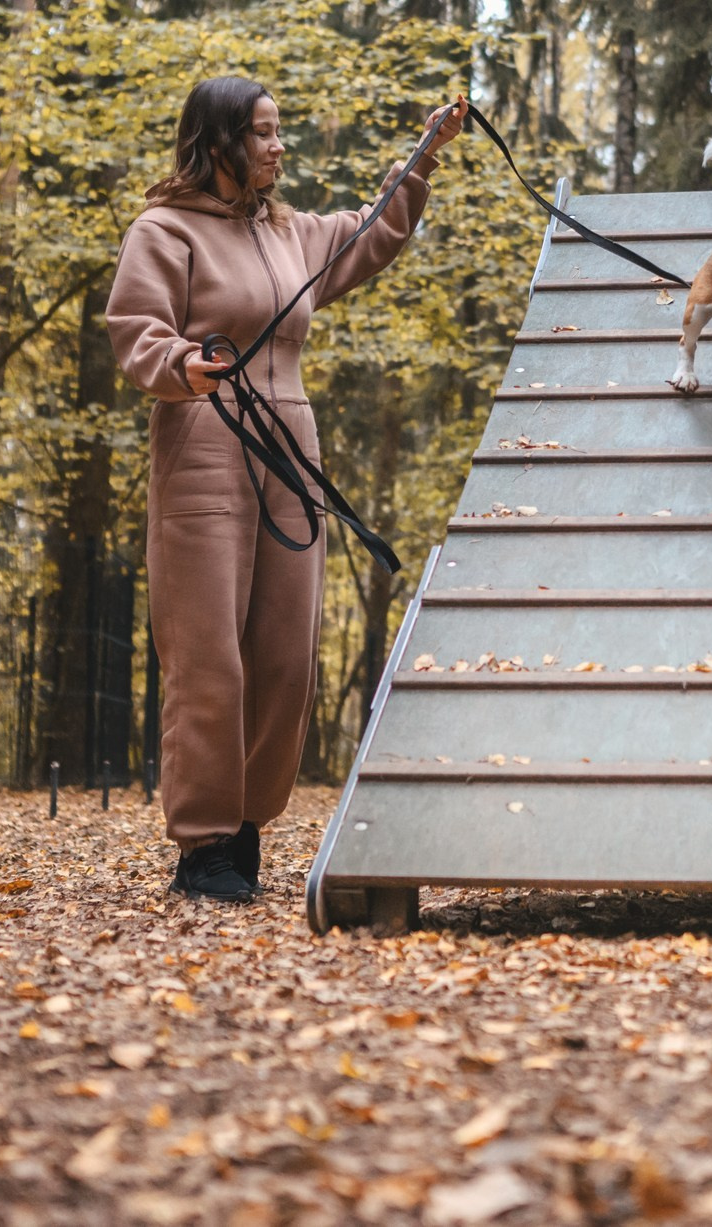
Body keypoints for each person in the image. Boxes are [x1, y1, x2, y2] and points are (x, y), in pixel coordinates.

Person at [107, 76, 463, 900]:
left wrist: (423, 156)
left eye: (279, 131)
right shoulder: (164, 230)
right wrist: (179, 364)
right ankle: (203, 842)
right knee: (208, 655)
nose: (277, 146)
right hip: (202, 439)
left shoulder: (287, 231)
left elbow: (367, 233)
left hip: (289, 446)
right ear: (221, 141)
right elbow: (135, 328)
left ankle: (246, 823)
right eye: (263, 133)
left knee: (286, 655)